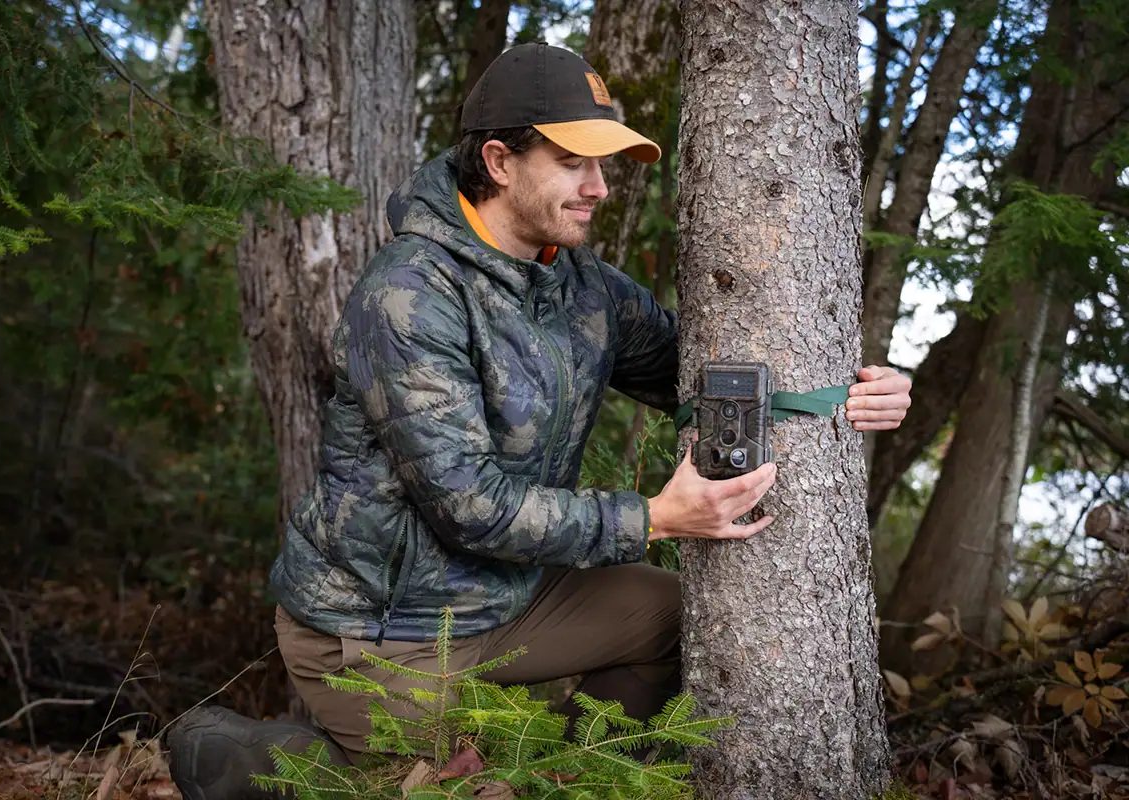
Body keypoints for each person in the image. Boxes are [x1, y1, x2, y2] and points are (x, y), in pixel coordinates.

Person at [166, 43, 912, 799]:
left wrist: (844, 394)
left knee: (674, 619)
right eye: (572, 162)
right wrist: (653, 517)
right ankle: (241, 759)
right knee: (429, 793)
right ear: (498, 161)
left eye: (604, 164)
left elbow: (689, 375)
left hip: (510, 598)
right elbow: (470, 507)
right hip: (380, 634)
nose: (600, 187)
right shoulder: (409, 297)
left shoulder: (577, 280)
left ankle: (565, 776)